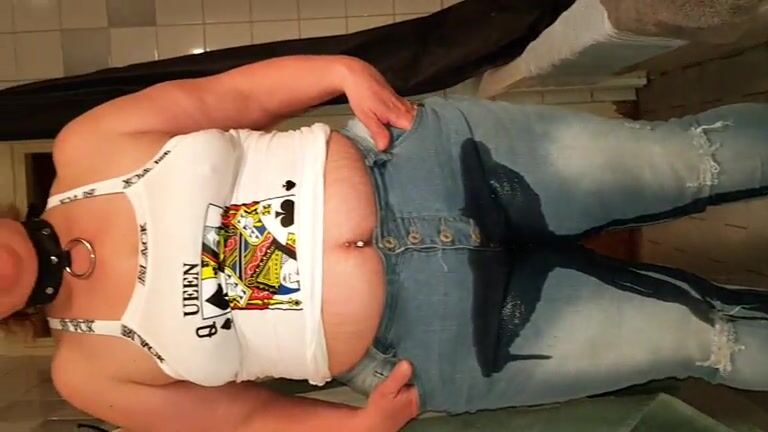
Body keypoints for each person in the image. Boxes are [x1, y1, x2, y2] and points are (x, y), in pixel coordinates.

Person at [0, 55, 766, 432]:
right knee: (707, 342)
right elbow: (245, 421)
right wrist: (354, 429)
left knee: (685, 160)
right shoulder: (86, 374)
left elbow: (229, 96)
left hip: (430, 165)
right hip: (442, 344)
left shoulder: (85, 146)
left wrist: (342, 71)